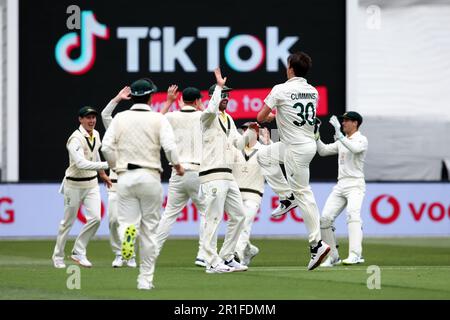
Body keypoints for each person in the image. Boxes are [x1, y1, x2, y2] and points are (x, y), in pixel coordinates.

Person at [101, 78, 184, 290]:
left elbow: (106, 147)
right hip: (150, 176)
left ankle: (128, 235)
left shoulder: (120, 118)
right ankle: (145, 280)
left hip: (125, 177)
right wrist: (177, 164)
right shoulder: (158, 118)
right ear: (150, 96)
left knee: (127, 223)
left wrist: (115, 165)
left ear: (134, 97)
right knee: (149, 232)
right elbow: (169, 145)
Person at [256, 51, 330, 271]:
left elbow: (260, 118)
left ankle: (317, 245)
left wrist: (271, 116)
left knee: (305, 195)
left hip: (296, 149)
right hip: (300, 144)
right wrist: (277, 116)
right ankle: (286, 197)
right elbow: (295, 116)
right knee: (264, 156)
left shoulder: (280, 89)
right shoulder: (313, 91)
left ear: (290, 68)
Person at [200, 67, 258, 273]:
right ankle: (210, 262)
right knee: (213, 217)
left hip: (227, 174)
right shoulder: (206, 118)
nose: (226, 97)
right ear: (214, 96)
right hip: (212, 173)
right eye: (223, 95)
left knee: (239, 215)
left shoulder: (229, 119)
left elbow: (239, 144)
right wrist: (218, 86)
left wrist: (252, 131)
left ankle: (226, 256)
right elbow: (210, 109)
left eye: (227, 94)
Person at [52, 106, 112, 269]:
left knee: (96, 218)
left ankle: (78, 251)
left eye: (93, 117)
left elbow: (95, 153)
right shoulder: (75, 139)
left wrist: (103, 173)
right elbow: (81, 163)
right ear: (80, 119)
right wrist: (109, 164)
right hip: (74, 184)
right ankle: (58, 255)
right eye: (88, 118)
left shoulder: (96, 134)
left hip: (91, 183)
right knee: (67, 222)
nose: (91, 120)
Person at [155, 85, 208, 267]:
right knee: (207, 213)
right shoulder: (203, 116)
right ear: (197, 101)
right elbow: (221, 122)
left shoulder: (171, 116)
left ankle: (151, 253)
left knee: (169, 214)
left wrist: (169, 102)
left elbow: (155, 122)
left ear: (181, 100)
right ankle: (203, 254)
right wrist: (202, 108)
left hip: (177, 172)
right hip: (198, 172)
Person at [316, 111, 368, 266]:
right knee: (325, 219)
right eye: (343, 120)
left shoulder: (361, 139)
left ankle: (355, 254)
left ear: (355, 123)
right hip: (341, 184)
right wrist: (316, 135)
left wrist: (339, 135)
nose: (343, 123)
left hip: (355, 184)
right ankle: (333, 256)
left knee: (353, 215)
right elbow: (323, 151)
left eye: (347, 120)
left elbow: (355, 149)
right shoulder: (342, 140)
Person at [101, 86, 137, 268]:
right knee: (113, 219)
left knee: (131, 221)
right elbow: (105, 115)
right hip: (115, 182)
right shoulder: (115, 129)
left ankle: (129, 254)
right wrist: (118, 98)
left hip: (133, 181)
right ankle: (118, 253)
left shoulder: (140, 133)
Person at [232, 124, 271, 266]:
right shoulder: (236, 149)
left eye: (250, 129)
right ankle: (249, 249)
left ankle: (237, 254)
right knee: (237, 224)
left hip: (254, 194)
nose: (246, 132)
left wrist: (268, 143)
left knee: (245, 222)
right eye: (244, 129)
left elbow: (275, 162)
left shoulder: (263, 149)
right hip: (235, 193)